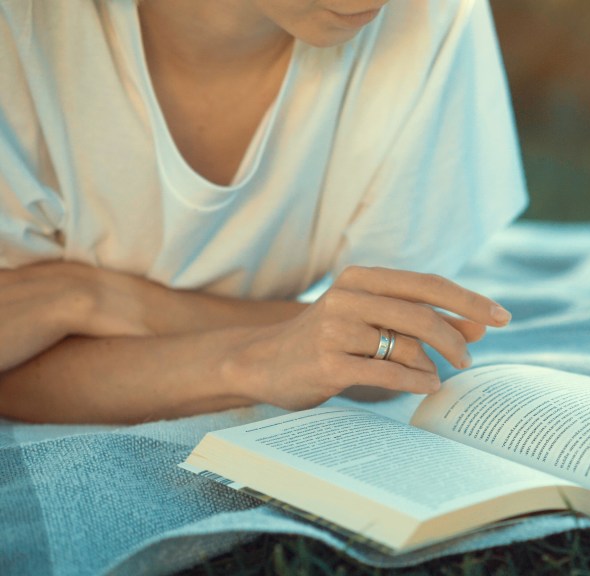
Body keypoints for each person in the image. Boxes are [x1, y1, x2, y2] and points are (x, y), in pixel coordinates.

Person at [0, 0, 527, 423]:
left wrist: (97, 299)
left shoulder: (434, 17)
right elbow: (12, 372)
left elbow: (390, 353)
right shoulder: (21, 34)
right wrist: (277, 344)